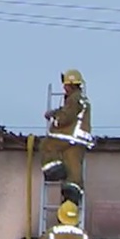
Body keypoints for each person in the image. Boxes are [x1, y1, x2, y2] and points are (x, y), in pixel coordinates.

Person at [39, 69, 94, 203]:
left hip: (69, 136)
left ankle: (55, 170)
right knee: (73, 166)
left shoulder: (73, 99)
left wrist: (53, 117)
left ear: (71, 85)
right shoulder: (83, 100)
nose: (64, 88)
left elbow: (66, 117)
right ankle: (73, 193)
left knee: (47, 145)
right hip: (80, 141)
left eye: (66, 85)